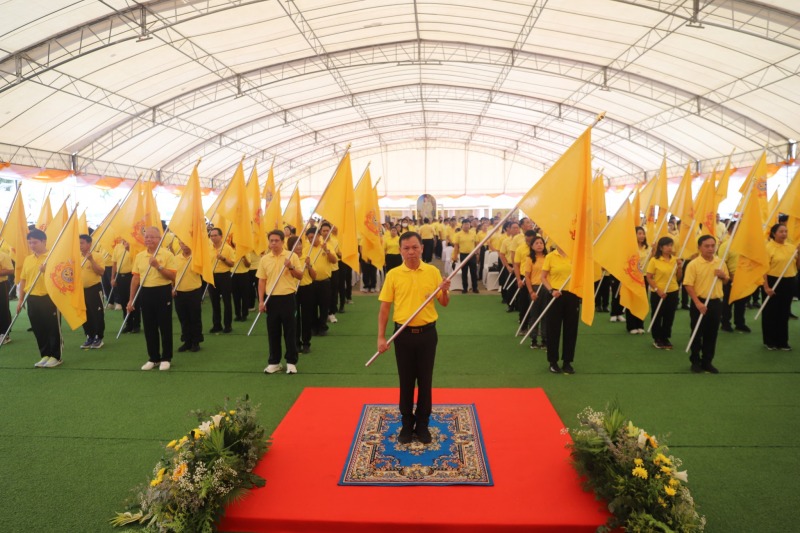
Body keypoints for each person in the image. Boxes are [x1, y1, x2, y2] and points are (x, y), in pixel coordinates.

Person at [377, 231, 450, 445]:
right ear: (400, 250)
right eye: (407, 248)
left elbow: (444, 302)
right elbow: (384, 309)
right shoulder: (393, 275)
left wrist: (444, 291)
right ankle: (407, 425)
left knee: (425, 381)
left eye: (415, 247)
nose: (411, 252)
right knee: (406, 381)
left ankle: (423, 425)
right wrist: (381, 337)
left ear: (422, 248)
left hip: (428, 335)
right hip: (402, 335)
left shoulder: (432, 272)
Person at [129, 227, 177, 371]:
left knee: (165, 326)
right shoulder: (139, 256)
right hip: (145, 293)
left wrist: (158, 266)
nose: (148, 239)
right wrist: (131, 299)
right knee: (149, 327)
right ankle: (153, 357)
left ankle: (166, 357)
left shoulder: (167, 255)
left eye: (152, 237)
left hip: (162, 292)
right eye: (146, 237)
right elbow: (136, 278)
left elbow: (173, 277)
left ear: (159, 239)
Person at [257, 230, 303, 374]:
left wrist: (290, 266)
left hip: (288, 298)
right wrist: (261, 301)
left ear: (283, 242)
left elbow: (300, 276)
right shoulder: (265, 259)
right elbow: (262, 281)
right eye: (271, 240)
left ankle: (291, 362)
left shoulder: (292, 256)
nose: (274, 243)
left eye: (277, 240)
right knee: (273, 332)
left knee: (290, 331)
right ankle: (274, 362)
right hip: (271, 299)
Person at [683, 235, 729, 373]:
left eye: (712, 246)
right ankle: (695, 361)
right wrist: (697, 303)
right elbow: (688, 285)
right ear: (699, 247)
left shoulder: (720, 262)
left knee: (712, 333)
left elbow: (726, 281)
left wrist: (723, 276)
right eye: (706, 246)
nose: (710, 248)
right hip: (699, 302)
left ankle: (707, 361)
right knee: (697, 333)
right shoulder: (693, 264)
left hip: (716, 303)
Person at [18, 229, 63, 368]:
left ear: (44, 241)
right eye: (30, 243)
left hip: (49, 298)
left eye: (35, 242)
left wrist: (46, 271)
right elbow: (23, 280)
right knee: (38, 328)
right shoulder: (28, 259)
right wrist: (21, 299)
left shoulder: (53, 257)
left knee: (52, 328)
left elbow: (60, 279)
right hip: (32, 298)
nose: (32, 245)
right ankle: (45, 354)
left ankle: (56, 356)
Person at [541, 245, 579, 374]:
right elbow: (543, 277)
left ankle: (567, 362)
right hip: (555, 295)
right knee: (553, 329)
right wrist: (551, 290)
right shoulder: (550, 256)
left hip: (572, 295)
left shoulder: (575, 256)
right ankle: (553, 361)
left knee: (571, 329)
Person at [762, 223, 800, 351]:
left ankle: (782, 341)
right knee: (770, 312)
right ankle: (769, 341)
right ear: (774, 233)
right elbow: (763, 270)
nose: (784, 234)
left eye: (786, 231)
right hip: (773, 281)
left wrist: (799, 254)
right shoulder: (768, 247)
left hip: (789, 281)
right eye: (781, 231)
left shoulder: (791, 247)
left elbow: (797, 265)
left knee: (784, 312)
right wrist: (766, 287)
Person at [645, 236, 683, 349]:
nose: (669, 248)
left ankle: (665, 337)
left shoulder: (675, 260)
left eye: (671, 245)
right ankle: (657, 338)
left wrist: (680, 267)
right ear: (661, 247)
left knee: (669, 316)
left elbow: (678, 278)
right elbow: (649, 277)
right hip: (658, 292)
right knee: (657, 315)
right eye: (667, 245)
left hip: (673, 291)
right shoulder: (654, 260)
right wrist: (657, 290)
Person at [173, 241, 204, 352]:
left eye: (187, 243)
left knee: (195, 318)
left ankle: (196, 342)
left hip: (194, 291)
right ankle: (187, 341)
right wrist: (173, 288)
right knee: (183, 318)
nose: (185, 245)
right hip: (179, 292)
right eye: (182, 243)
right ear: (179, 245)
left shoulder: (196, 257)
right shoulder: (175, 258)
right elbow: (173, 275)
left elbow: (203, 271)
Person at [79, 234, 106, 349]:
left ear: (89, 244)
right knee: (84, 314)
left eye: (82, 243)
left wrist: (91, 260)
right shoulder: (75, 257)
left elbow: (101, 272)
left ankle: (98, 337)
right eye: (78, 243)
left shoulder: (97, 256)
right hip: (80, 291)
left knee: (97, 314)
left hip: (94, 289)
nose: (80, 245)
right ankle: (89, 336)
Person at [293, 235, 317, 355]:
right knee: (295, 318)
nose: (298, 247)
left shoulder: (307, 258)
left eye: (300, 244)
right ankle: (296, 343)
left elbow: (314, 276)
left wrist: (309, 266)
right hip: (293, 290)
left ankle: (306, 343)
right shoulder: (289, 259)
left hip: (307, 289)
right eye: (296, 244)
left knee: (306, 317)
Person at [523, 236, 548, 349]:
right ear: (532, 246)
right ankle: (533, 339)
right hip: (535, 288)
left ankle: (545, 339)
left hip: (547, 288)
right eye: (536, 243)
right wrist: (531, 291)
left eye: (541, 243)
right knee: (534, 314)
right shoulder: (529, 259)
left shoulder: (548, 257)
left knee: (545, 315)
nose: (539, 245)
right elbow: (527, 277)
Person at [208, 227, 234, 334]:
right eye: (211, 235)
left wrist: (223, 258)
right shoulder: (208, 248)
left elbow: (232, 263)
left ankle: (228, 325)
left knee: (227, 301)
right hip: (212, 277)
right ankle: (217, 324)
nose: (213, 237)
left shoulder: (227, 248)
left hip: (224, 276)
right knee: (214, 302)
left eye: (215, 235)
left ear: (221, 236)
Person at [112, 239, 140, 333]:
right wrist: (113, 278)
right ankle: (128, 323)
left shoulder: (134, 246)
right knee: (123, 301)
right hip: (120, 277)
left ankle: (136, 325)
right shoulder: (117, 246)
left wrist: (129, 250)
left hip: (131, 276)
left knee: (133, 300)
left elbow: (137, 260)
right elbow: (114, 263)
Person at [626, 226, 649, 334]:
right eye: (639, 233)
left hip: (644, 278)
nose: (642, 236)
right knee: (632, 301)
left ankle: (640, 324)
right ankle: (631, 326)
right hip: (633, 277)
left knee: (642, 300)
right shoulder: (631, 248)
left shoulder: (647, 248)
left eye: (643, 233)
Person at [452, 219, 479, 293]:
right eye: (465, 224)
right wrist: (455, 256)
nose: (466, 226)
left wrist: (477, 254)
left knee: (473, 272)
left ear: (470, 225)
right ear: (462, 225)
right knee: (464, 272)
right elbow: (456, 246)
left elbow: (477, 244)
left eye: (468, 224)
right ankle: (465, 288)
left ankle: (475, 288)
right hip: (463, 255)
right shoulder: (458, 234)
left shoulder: (473, 233)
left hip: (472, 255)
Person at [0, 248, 13, 345]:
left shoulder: (3, 255)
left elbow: (10, 270)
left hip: (1, 284)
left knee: (2, 309)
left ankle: (5, 334)